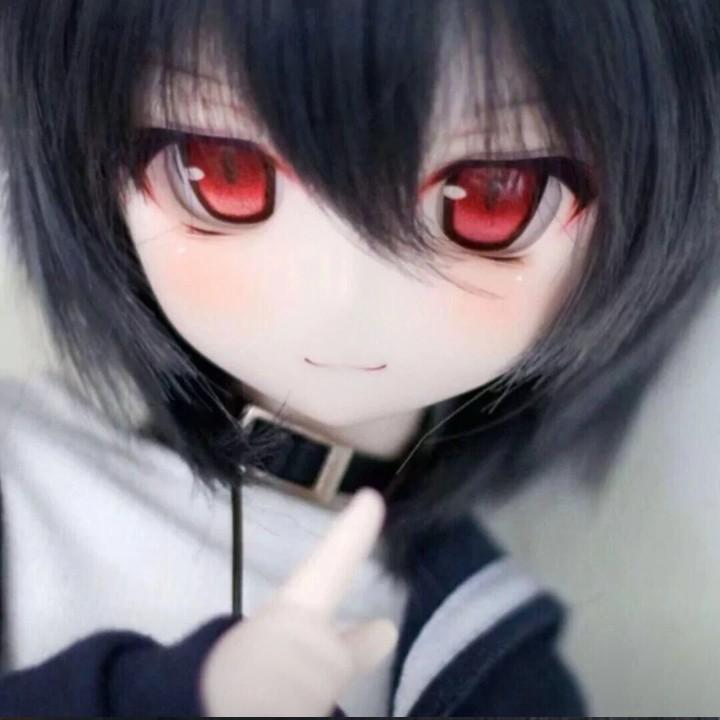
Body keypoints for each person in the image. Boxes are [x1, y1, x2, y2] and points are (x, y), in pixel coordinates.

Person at [0, 0, 718, 715]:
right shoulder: (23, 476)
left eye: (488, 201)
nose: (342, 294)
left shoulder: (477, 651)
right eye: (226, 174)